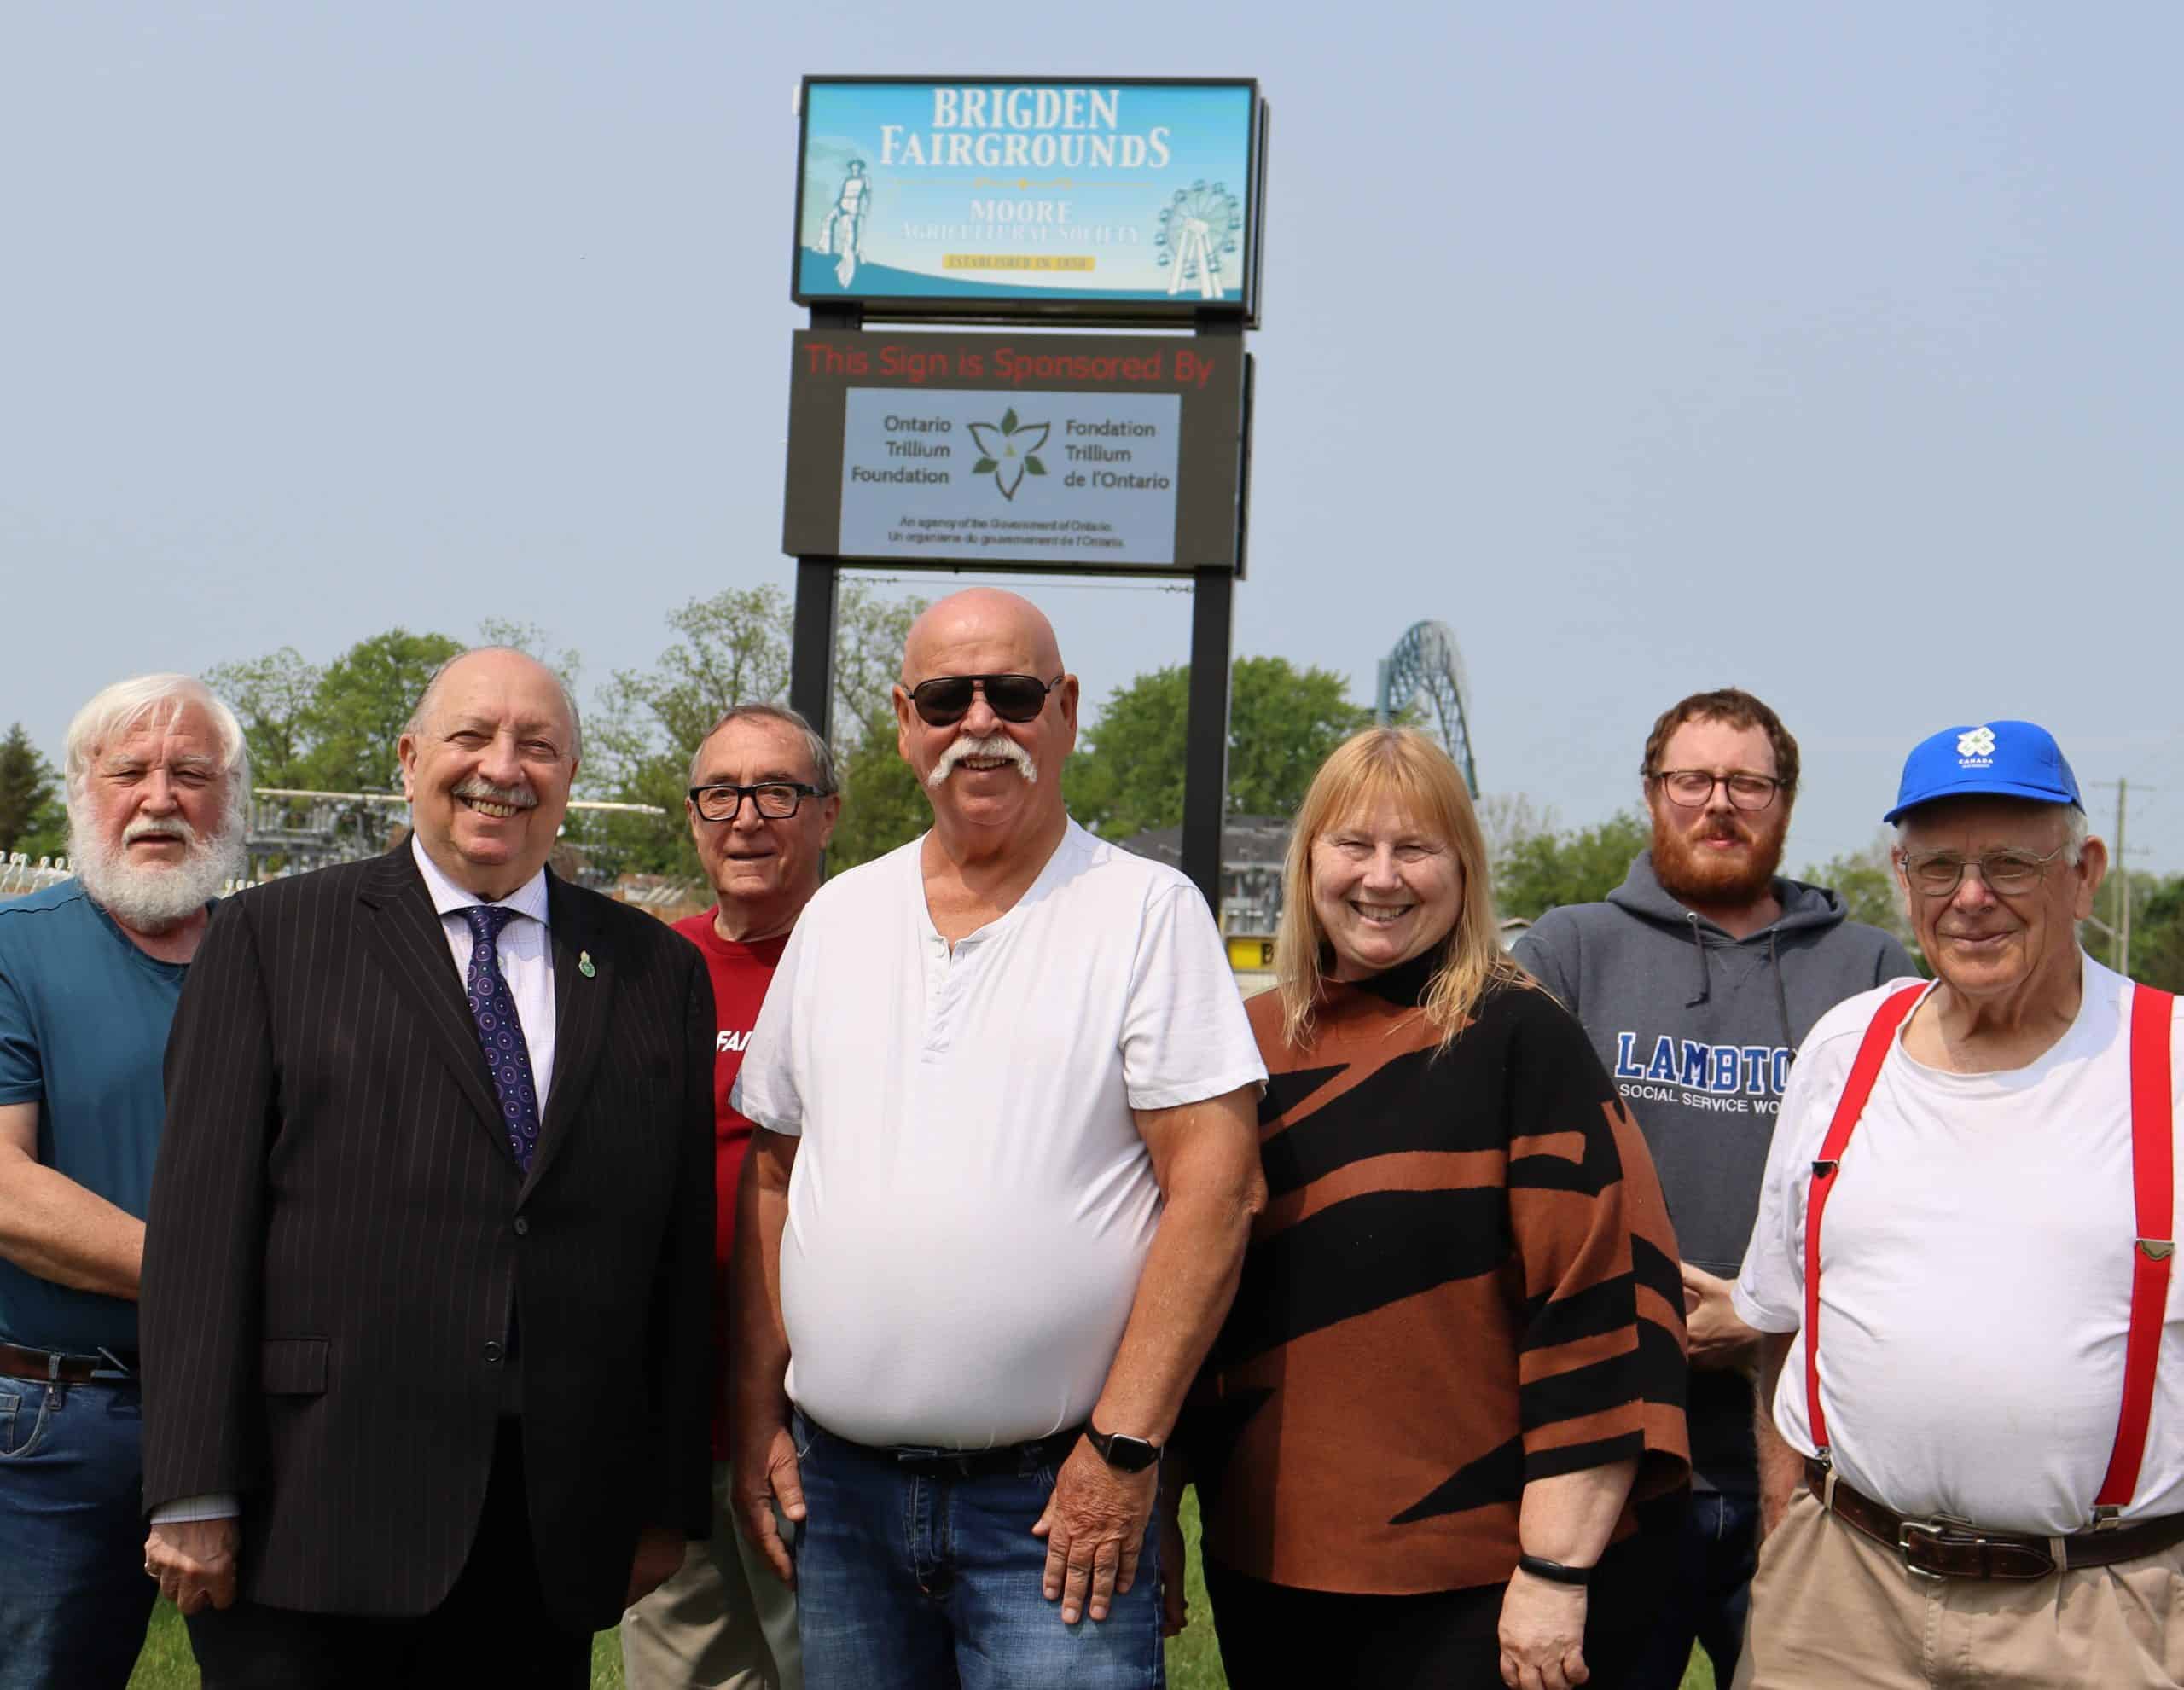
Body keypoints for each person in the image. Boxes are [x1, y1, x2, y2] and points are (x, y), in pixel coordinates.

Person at [139, 647, 717, 1688]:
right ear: (409, 760)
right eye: (471, 736)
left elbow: (675, 1254)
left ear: (570, 777)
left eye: (538, 745)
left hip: (542, 1528)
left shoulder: (652, 970)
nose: (504, 766)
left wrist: (664, 1501)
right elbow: (198, 1230)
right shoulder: (275, 937)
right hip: (309, 1510)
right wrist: (192, 1487)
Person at [728, 588, 1267, 1690]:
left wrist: (1123, 1451)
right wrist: (754, 1415)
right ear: (903, 719)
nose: (981, 720)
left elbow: (1218, 1193)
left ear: (1065, 709)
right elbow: (775, 1175)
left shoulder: (1146, 915)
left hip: (1052, 1504)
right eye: (946, 696)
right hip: (844, 1496)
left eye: (1014, 693)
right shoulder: (839, 919)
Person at [1182, 727, 1690, 1690]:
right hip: (1265, 1571)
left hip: (1474, 1587)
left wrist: (1552, 1571)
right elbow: (1182, 1300)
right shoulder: (1241, 1044)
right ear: (1307, 862)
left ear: (1462, 868)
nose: (1381, 878)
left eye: (1414, 848)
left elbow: (1597, 1314)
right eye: (1352, 845)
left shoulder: (1522, 1040)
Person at [1732, 720, 2184, 1687]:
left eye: (2010, 864)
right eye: (1938, 868)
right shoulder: (1844, 1048)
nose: (1970, 899)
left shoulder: (2170, 1063)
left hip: (2098, 1609)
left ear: (2083, 870)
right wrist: (1786, 1513)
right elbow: (1782, 1313)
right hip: (1838, 1597)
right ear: (1903, 877)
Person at [1512, 688, 1914, 1687]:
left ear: (1784, 801)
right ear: (1653, 793)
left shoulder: (1869, 967)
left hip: (1808, 1460)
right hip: (1611, 1445)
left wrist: (1767, 1315)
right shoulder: (1566, 949)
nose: (1718, 803)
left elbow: (1913, 1197)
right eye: (1692, 779)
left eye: (1747, 783)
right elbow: (1511, 1175)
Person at [0, 675, 248, 1690]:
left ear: (234, 801)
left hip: (252, 1415)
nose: (160, 797)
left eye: (193, 773)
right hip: (61, 1422)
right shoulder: (18, 947)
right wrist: (220, 1281)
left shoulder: (274, 957)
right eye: (130, 771)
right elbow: (7, 1193)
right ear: (79, 789)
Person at [622, 703, 836, 1690]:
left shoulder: (867, 959)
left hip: (817, 1424)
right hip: (667, 1420)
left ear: (827, 814)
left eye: (777, 792)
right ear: (694, 815)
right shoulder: (644, 970)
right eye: (722, 793)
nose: (746, 817)